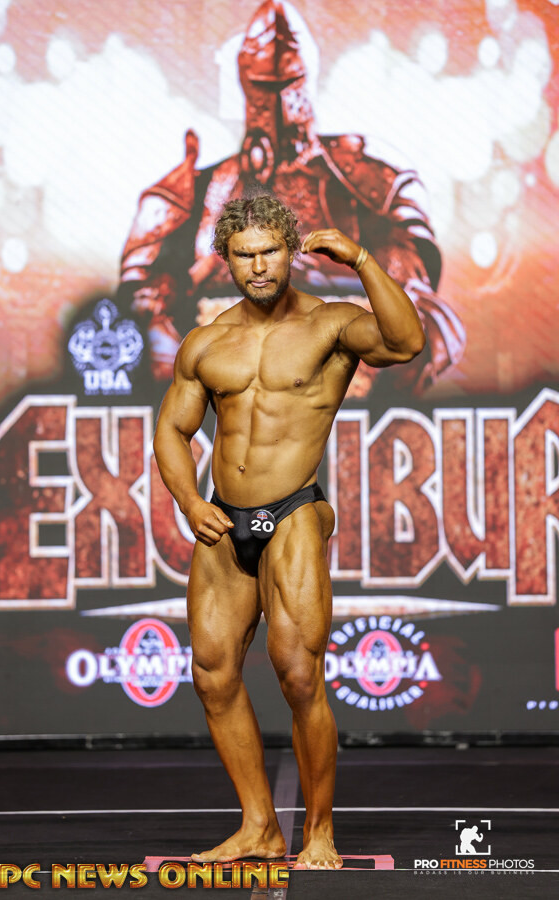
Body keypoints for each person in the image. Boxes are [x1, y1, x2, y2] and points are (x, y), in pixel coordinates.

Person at [153, 194, 426, 869]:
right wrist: (188, 500)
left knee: (300, 675)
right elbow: (173, 430)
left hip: (293, 513)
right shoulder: (206, 342)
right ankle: (258, 827)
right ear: (227, 260)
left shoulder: (330, 324)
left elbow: (406, 342)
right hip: (224, 519)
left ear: (291, 249)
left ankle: (320, 833)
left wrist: (362, 260)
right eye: (244, 255)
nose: (258, 267)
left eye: (269, 251)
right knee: (213, 674)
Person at [120, 0, 463, 396]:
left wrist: (371, 271)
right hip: (231, 360)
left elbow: (414, 270)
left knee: (421, 319)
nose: (278, 103)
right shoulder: (211, 184)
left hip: (347, 353)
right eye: (265, 87)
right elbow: (141, 293)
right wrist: (170, 287)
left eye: (288, 84)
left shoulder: (363, 171)